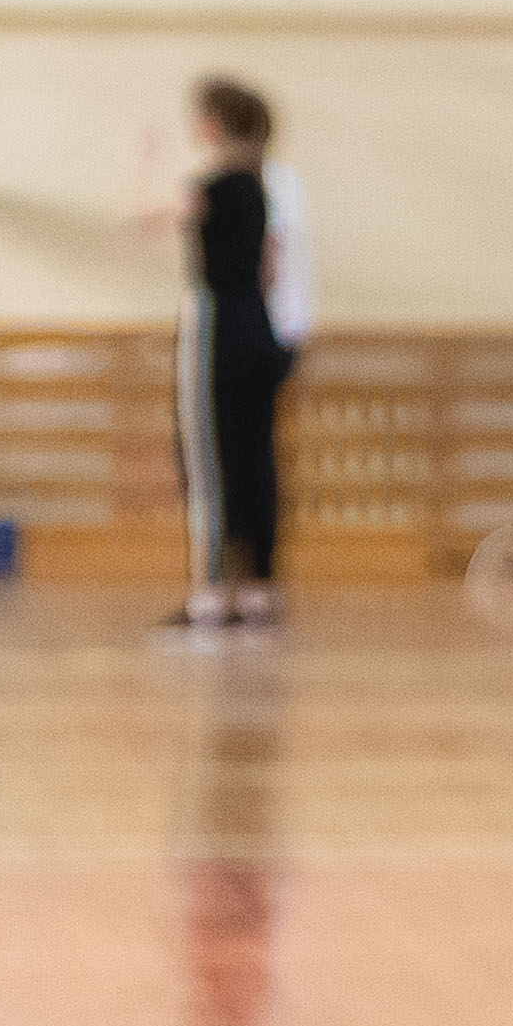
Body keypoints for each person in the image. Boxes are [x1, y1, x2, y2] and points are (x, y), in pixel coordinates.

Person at [164, 75, 311, 644]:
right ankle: (258, 592)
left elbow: (140, 215)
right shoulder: (265, 188)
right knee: (256, 458)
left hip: (218, 329)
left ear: (211, 126)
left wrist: (145, 154)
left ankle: (211, 593)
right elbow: (273, 268)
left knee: (208, 459)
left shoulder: (210, 187)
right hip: (261, 328)